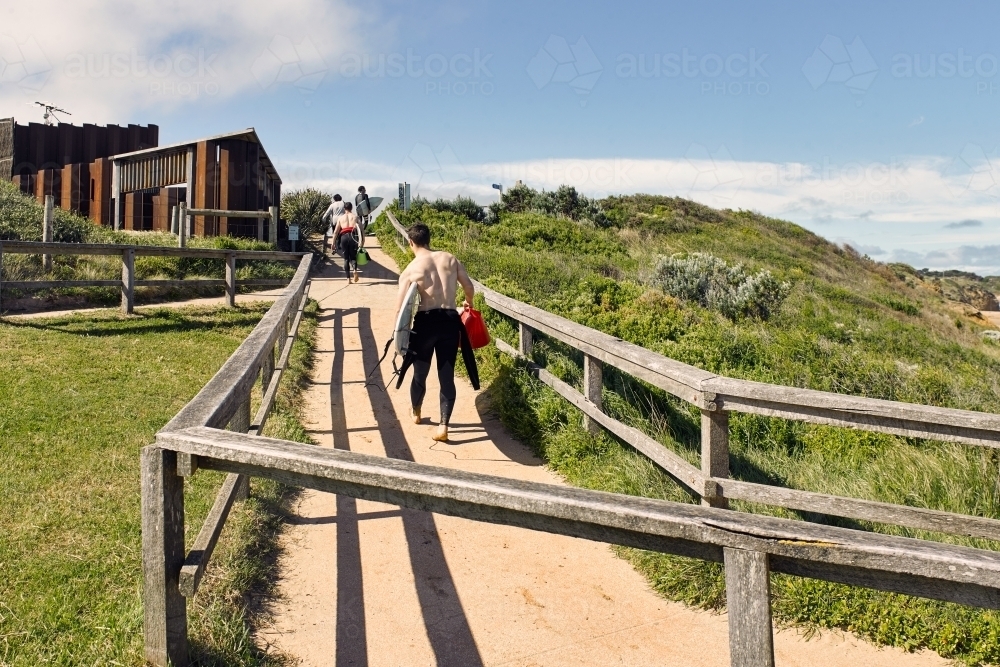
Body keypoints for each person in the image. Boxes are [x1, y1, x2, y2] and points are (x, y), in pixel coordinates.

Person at [394, 223, 476, 442]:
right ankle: (443, 426)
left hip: (426, 323)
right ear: (429, 239)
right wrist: (466, 303)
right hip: (450, 320)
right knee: (446, 376)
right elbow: (469, 287)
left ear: (411, 242)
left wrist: (399, 338)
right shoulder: (450, 259)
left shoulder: (411, 269)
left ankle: (416, 411)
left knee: (420, 373)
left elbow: (401, 308)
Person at [333, 201, 364, 282]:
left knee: (346, 258)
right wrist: (363, 240)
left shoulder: (341, 218)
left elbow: (336, 231)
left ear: (344, 209)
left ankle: (348, 279)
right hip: (353, 236)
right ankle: (354, 270)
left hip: (344, 237)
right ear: (351, 208)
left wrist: (333, 243)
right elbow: (361, 229)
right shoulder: (356, 217)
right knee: (353, 257)